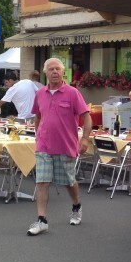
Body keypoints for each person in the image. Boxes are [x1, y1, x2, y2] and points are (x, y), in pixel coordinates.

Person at [28, 57, 91, 235]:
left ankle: (76, 206)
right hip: (44, 146)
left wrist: (85, 139)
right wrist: (38, 134)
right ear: (45, 73)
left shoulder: (72, 93)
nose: (55, 72)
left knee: (69, 182)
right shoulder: (40, 94)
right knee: (42, 182)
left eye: (58, 69)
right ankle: (42, 220)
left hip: (65, 145)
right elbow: (38, 116)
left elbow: (86, 116)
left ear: (63, 72)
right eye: (51, 69)